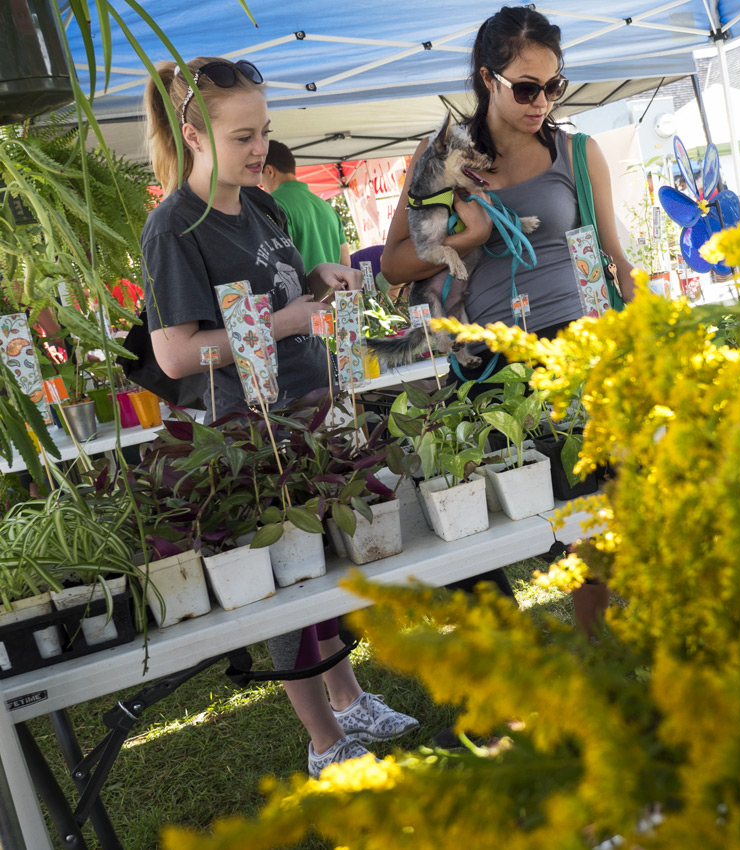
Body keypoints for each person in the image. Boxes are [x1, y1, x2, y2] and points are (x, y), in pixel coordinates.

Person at [140, 56, 417, 777]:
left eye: (264, 131)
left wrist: (317, 282)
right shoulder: (175, 228)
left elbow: (286, 286)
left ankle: (349, 701)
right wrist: (286, 322)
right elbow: (174, 356)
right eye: (242, 136)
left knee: (322, 572)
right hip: (252, 434)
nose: (259, 148)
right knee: (292, 588)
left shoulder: (259, 203)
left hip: (308, 408)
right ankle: (324, 740)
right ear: (193, 136)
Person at [380, 5, 633, 626]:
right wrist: (465, 239)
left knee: (595, 510)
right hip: (490, 359)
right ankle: (509, 660)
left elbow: (615, 259)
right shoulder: (443, 156)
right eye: (526, 87)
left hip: (582, 346)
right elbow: (394, 265)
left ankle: (595, 647)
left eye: (554, 86)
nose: (542, 101)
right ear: (486, 78)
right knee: (473, 520)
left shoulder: (576, 152)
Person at [260, 140, 352, 270]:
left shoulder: (274, 204)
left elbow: (283, 259)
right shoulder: (327, 207)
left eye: (260, 178)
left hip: (301, 290)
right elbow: (346, 264)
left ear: (269, 171)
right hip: (335, 289)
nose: (261, 185)